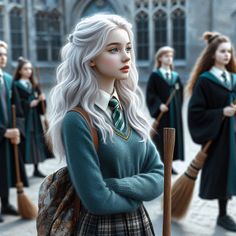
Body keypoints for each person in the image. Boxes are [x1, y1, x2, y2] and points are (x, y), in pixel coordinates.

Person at [47, 14, 164, 235]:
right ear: (90, 57)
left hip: (141, 225)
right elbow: (96, 200)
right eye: (113, 50)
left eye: (128, 48)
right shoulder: (77, 120)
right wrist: (138, 195)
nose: (126, 57)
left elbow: (159, 176)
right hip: (102, 228)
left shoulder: (130, 110)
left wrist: (117, 185)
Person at [187, 32, 236, 232]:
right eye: (223, 51)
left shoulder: (234, 78)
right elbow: (196, 112)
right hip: (218, 138)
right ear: (213, 54)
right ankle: (222, 214)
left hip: (234, 135)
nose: (227, 55)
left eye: (230, 51)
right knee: (222, 173)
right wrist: (220, 112)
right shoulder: (205, 81)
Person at [0, 41, 28, 222]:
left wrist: (17, 130)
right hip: (2, 133)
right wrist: (3, 132)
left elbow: (17, 110)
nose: (2, 58)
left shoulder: (9, 80)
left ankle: (6, 203)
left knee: (5, 170)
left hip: (9, 134)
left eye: (4, 54)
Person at [146, 46, 184, 174]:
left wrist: (177, 108)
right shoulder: (155, 76)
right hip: (162, 115)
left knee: (173, 138)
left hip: (174, 114)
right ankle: (160, 166)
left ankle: (170, 165)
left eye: (171, 56)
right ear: (160, 58)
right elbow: (150, 94)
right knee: (161, 139)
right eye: (167, 56)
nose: (170, 58)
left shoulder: (175, 76)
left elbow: (181, 95)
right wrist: (158, 105)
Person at [13, 57, 50, 178]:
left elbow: (42, 107)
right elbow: (16, 103)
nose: (29, 71)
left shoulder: (34, 84)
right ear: (19, 71)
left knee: (36, 142)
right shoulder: (16, 85)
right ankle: (21, 171)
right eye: (25, 68)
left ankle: (36, 168)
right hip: (24, 119)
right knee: (24, 142)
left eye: (30, 68)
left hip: (34, 119)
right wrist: (30, 104)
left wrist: (42, 100)